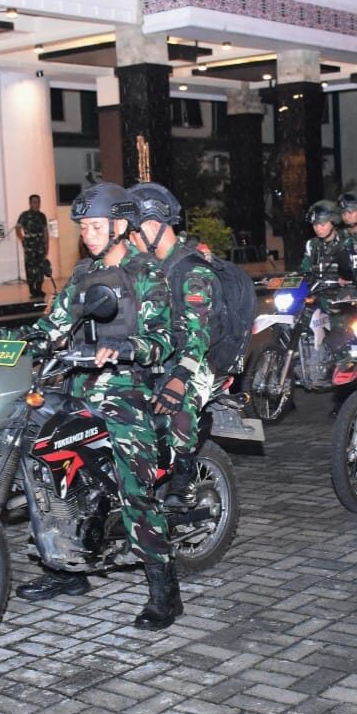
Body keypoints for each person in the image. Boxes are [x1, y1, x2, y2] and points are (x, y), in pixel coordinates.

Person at [17, 183, 179, 630]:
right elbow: (55, 323)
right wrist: (13, 342)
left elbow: (161, 340)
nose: (87, 234)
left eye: (95, 226)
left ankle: (164, 592)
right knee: (39, 455)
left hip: (129, 391)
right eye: (83, 227)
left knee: (135, 487)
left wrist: (123, 349)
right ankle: (65, 569)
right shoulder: (84, 274)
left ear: (120, 226)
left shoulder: (146, 271)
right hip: (80, 385)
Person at [126, 183, 215, 507]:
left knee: (176, 402)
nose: (130, 240)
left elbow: (197, 336)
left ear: (153, 225)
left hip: (194, 362)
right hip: (155, 356)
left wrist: (178, 378)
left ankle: (183, 477)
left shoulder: (192, 270)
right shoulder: (144, 269)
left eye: (133, 231)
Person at [299, 200, 352, 281]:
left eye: (322, 224)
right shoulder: (312, 244)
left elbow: (355, 274)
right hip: (316, 290)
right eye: (315, 224)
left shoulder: (347, 242)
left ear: (334, 222)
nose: (318, 228)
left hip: (342, 290)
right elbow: (304, 270)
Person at [15, 193, 53, 299]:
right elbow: (17, 228)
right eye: (34, 202)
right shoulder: (24, 215)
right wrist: (22, 239)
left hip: (40, 245)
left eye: (38, 202)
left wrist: (47, 245)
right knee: (30, 267)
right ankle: (32, 289)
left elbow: (45, 232)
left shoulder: (42, 216)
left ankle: (39, 288)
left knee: (40, 267)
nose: (36, 204)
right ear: (30, 203)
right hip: (30, 245)